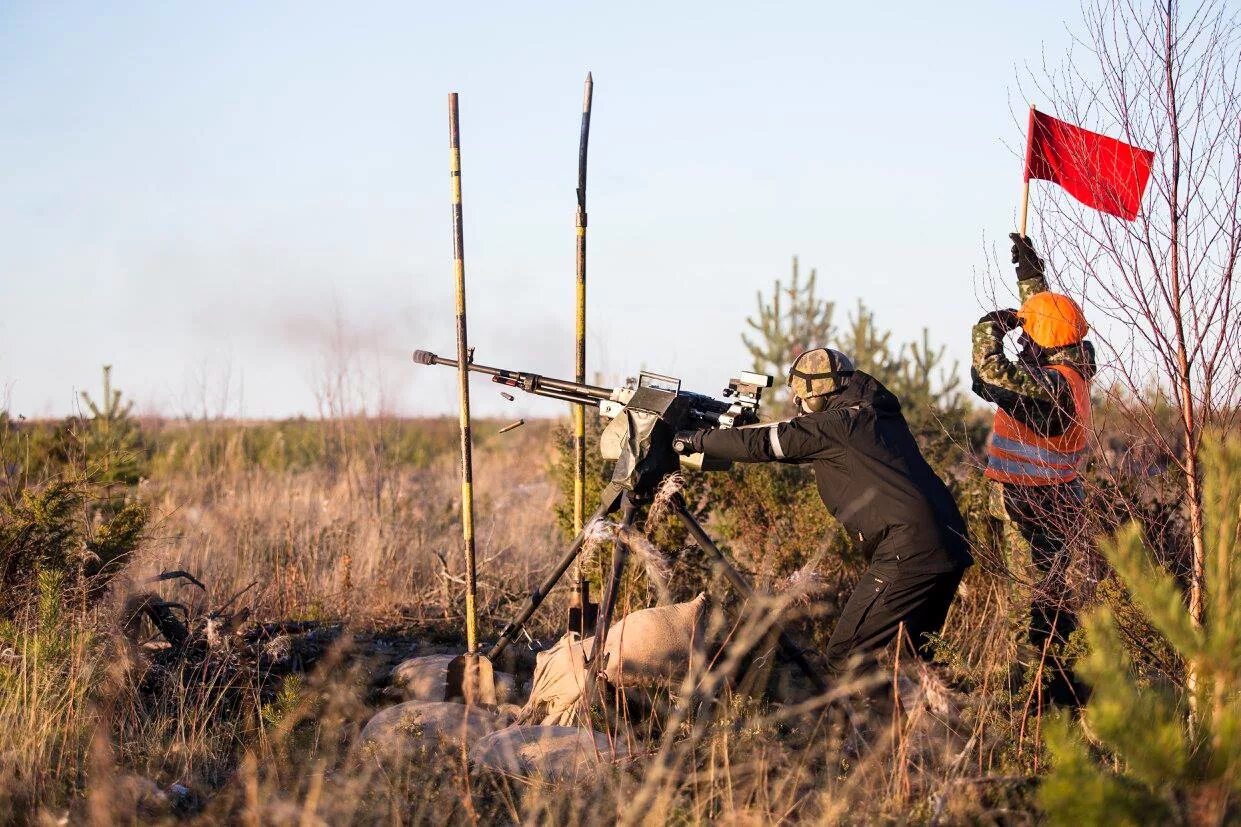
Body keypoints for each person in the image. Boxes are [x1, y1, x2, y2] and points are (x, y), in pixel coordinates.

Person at [674, 347, 973, 678]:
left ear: (817, 392)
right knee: (915, 661)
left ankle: (858, 727)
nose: (799, 405)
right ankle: (926, 725)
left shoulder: (838, 424)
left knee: (845, 654)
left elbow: (763, 445)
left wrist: (694, 438)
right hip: (948, 541)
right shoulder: (870, 414)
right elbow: (799, 445)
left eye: (801, 396)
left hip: (908, 549)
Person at [971, 233, 1095, 706]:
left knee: (1032, 606)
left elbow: (988, 372)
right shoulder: (1073, 367)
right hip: (1057, 498)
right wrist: (1031, 281)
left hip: (1032, 504)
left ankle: (1034, 701)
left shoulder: (1048, 388)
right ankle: (1065, 692)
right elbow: (1049, 326)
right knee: (1054, 602)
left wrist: (989, 327)